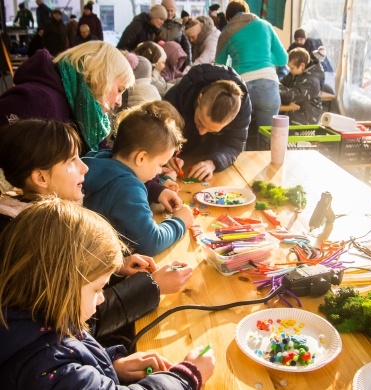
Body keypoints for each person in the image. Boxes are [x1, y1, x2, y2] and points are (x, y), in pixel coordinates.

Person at [0, 118, 192, 349]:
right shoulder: (37, 240)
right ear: (40, 178)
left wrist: (115, 267)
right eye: (71, 161)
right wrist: (153, 287)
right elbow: (79, 321)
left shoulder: (41, 217)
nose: (85, 167)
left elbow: (77, 280)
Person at [0, 198, 215, 388]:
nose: (102, 297)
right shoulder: (47, 365)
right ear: (60, 289)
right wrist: (186, 376)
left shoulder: (40, 316)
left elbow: (75, 352)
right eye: (97, 289)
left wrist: (111, 365)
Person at [82, 101, 194, 256]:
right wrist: (179, 222)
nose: (159, 171)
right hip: (107, 266)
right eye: (160, 164)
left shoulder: (101, 160)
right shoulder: (128, 188)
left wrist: (160, 188)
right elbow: (152, 242)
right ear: (141, 158)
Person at [0, 41, 134, 154]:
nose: (119, 102)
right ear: (100, 77)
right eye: (119, 90)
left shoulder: (88, 112)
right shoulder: (35, 101)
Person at [164, 63, 251, 181]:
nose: (202, 132)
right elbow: (160, 136)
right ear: (200, 98)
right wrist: (166, 154)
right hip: (179, 162)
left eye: (213, 131)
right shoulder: (175, 97)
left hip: (210, 161)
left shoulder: (242, 109)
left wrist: (213, 162)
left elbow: (235, 144)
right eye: (200, 121)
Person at [215, 0, 288, 127]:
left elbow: (219, 66)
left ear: (229, 18)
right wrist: (266, 58)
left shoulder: (226, 32)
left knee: (239, 137)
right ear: (247, 12)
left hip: (242, 87)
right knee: (269, 136)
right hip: (269, 85)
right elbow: (283, 59)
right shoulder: (265, 25)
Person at [279, 47, 324, 125]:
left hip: (306, 123)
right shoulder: (295, 74)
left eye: (292, 68)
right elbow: (282, 83)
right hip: (295, 118)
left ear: (302, 65)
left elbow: (289, 96)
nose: (290, 70)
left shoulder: (311, 81)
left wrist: (275, 85)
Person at [158, 0, 191, 68]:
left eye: (172, 10)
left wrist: (188, 65)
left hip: (176, 63)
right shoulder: (157, 24)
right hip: (160, 62)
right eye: (167, 10)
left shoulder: (180, 25)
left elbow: (187, 46)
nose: (170, 13)